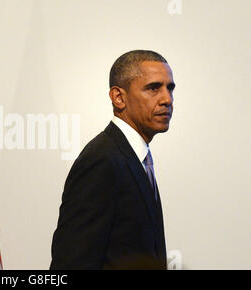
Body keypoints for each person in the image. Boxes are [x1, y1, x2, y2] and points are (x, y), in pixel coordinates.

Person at [50, 50, 175, 270]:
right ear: (119, 97)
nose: (166, 99)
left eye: (170, 88)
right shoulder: (102, 160)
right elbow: (72, 263)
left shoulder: (133, 156)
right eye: (153, 88)